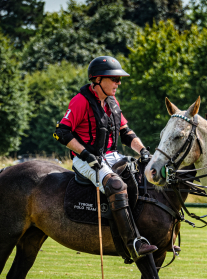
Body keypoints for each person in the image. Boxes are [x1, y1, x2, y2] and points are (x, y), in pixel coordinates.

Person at [53, 55, 157, 261]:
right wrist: (85, 154)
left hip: (111, 155)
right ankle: (132, 244)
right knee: (116, 186)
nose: (118, 83)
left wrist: (143, 151)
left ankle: (153, 233)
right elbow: (61, 133)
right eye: (114, 79)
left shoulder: (112, 102)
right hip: (85, 159)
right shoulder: (80, 101)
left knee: (141, 177)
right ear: (98, 79)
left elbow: (126, 132)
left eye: (119, 79)